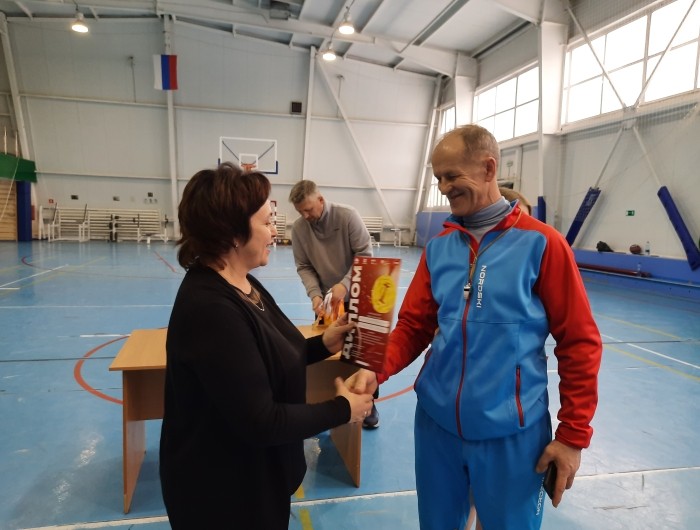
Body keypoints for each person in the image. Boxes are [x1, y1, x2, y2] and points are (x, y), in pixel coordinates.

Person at [347, 124, 602, 529]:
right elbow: (413, 326)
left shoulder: (543, 245)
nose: (443, 187)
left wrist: (572, 435)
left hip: (512, 434)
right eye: (438, 178)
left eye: (452, 176)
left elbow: (580, 342)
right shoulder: (439, 248)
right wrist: (375, 370)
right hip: (436, 427)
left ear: (488, 168)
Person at [159, 162, 374, 529]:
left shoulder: (242, 283)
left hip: (255, 479)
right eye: (266, 222)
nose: (275, 231)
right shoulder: (210, 307)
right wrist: (343, 409)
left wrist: (324, 344)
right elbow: (262, 421)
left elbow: (270, 355)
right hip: (224, 497)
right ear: (233, 233)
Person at [288, 179, 381, 429]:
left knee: (362, 354)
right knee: (327, 349)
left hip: (360, 293)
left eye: (309, 209)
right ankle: (333, 403)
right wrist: (315, 295)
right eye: (300, 212)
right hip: (328, 301)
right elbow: (304, 266)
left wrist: (345, 284)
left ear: (321, 200)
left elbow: (365, 254)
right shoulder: (299, 229)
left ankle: (369, 403)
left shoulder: (348, 216)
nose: (305, 216)